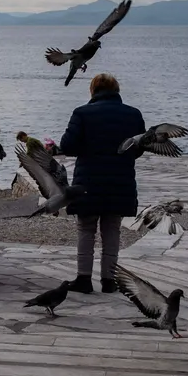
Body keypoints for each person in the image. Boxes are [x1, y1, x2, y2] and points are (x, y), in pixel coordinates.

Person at [60, 73, 145, 294]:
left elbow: (67, 146)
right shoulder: (133, 115)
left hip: (88, 181)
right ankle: (109, 280)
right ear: (117, 90)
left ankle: (84, 279)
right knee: (112, 230)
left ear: (93, 90)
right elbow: (140, 148)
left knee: (86, 229)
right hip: (120, 181)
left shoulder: (81, 113)